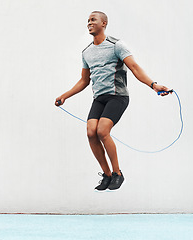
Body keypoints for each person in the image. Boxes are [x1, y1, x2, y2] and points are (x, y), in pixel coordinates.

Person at [55, 11, 171, 191]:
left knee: (102, 130)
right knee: (90, 132)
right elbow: (84, 80)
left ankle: (118, 173)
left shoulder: (116, 45)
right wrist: (65, 95)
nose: (89, 23)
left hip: (118, 96)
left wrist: (153, 85)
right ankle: (107, 175)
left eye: (93, 20)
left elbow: (134, 67)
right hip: (99, 98)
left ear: (104, 23)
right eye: (87, 21)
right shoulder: (86, 52)